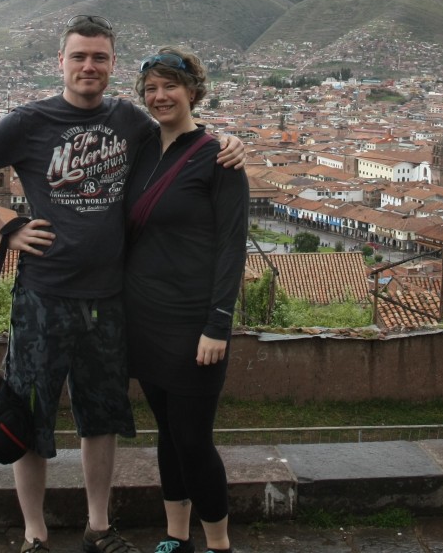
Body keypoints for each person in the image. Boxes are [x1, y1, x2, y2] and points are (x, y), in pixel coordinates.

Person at [0, 15, 243, 553]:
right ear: (60, 61)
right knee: (29, 415)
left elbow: (183, 137)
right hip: (43, 293)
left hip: (108, 298)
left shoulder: (129, 120)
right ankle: (35, 534)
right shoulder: (30, 120)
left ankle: (98, 527)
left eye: (99, 58)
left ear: (111, 66)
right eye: (78, 56)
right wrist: (4, 228)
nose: (88, 66)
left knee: (99, 416)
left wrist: (231, 143)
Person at [124, 48, 247, 553]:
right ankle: (176, 537)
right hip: (142, 316)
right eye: (150, 88)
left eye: (170, 86)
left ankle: (218, 544)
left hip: (194, 321)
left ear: (194, 91)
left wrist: (218, 323)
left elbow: (231, 246)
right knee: (168, 434)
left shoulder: (220, 157)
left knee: (194, 439)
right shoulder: (140, 149)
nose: (159, 96)